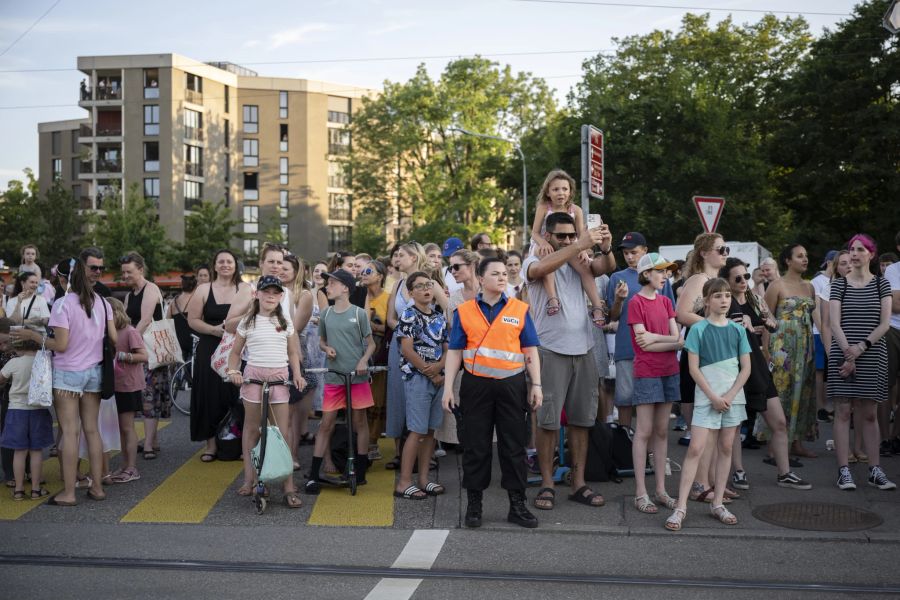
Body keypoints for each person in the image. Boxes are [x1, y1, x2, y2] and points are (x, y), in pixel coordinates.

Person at [442, 256, 543, 528]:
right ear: (481, 279)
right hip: (476, 386)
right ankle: (474, 505)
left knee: (514, 446)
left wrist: (536, 384)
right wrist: (449, 388)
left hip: (512, 385)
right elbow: (454, 352)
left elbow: (530, 349)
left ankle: (517, 505)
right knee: (476, 447)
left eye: (504, 273)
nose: (502, 277)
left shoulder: (520, 309)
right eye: (495, 273)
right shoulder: (464, 311)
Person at [523, 211, 614, 511]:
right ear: (547, 235)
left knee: (582, 421)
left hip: (584, 348)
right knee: (548, 422)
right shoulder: (535, 256)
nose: (567, 240)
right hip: (549, 349)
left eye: (571, 235)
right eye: (560, 235)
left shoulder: (578, 257)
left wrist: (605, 247)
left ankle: (578, 483)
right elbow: (537, 271)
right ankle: (547, 484)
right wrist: (577, 245)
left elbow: (604, 268)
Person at [12, 258, 116, 505]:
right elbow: (113, 338)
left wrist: (34, 336)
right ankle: (98, 487)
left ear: (61, 279)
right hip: (94, 373)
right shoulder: (101, 302)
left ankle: (69, 492)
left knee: (70, 431)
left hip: (68, 374)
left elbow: (60, 345)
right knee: (92, 430)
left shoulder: (61, 304)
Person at [665, 278, 751, 531]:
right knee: (696, 449)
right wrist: (713, 396)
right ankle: (680, 506)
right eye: (718, 296)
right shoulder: (699, 330)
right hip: (707, 397)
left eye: (727, 295)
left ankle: (717, 502)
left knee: (726, 447)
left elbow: (745, 367)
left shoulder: (737, 331)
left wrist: (731, 394)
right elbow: (693, 368)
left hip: (733, 398)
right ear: (706, 301)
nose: (724, 300)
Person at [720, 258, 811, 491]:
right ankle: (738, 471)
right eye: (737, 278)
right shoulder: (724, 302)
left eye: (746, 276)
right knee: (735, 424)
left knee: (779, 422)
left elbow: (773, 321)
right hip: (734, 368)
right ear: (727, 282)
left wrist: (762, 324)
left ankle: (785, 473)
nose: (743, 282)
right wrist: (739, 323)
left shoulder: (754, 298)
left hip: (758, 365)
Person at [227, 275, 306, 508]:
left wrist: (298, 375)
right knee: (252, 430)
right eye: (266, 292)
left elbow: (293, 352)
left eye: (275, 293)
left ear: (281, 296)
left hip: (279, 378)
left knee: (280, 434)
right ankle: (250, 479)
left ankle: (288, 485)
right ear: (257, 294)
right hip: (253, 378)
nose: (271, 296)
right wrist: (234, 371)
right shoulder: (248, 321)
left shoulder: (286, 321)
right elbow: (235, 352)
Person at [827, 234, 896, 491]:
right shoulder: (839, 284)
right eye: (851, 250)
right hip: (843, 352)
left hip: (871, 353)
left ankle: (874, 470)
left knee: (869, 413)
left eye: (859, 250)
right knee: (843, 411)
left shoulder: (881, 285)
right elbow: (834, 323)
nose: (854, 254)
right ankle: (843, 470)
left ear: (871, 254)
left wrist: (859, 349)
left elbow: (885, 324)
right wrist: (848, 352)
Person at [305, 269, 376, 494]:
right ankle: (314, 473)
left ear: (345, 287)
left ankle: (360, 470)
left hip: (357, 376)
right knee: (326, 423)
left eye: (333, 283)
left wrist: (364, 360)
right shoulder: (325, 314)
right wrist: (327, 348)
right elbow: (322, 342)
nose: (328, 286)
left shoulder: (359, 314)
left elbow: (371, 343)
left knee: (359, 423)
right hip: (334, 377)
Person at [675, 233, 732, 501]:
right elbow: (681, 313)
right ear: (703, 253)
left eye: (726, 248)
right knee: (705, 426)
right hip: (701, 355)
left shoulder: (714, 282)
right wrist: (714, 328)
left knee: (716, 425)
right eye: (720, 249)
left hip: (715, 357)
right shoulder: (699, 280)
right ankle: (700, 484)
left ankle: (709, 482)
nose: (724, 253)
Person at [627, 253, 683, 514]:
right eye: (660, 271)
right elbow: (641, 341)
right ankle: (641, 492)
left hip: (669, 370)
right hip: (648, 371)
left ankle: (660, 490)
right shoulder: (636, 302)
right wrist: (669, 342)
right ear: (647, 274)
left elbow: (678, 339)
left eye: (666, 271)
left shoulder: (665, 301)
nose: (665, 275)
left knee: (661, 432)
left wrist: (654, 338)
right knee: (644, 431)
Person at [385, 242, 448, 469]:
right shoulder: (397, 284)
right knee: (398, 395)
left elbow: (447, 309)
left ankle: (424, 456)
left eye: (401, 255)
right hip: (401, 342)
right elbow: (390, 318)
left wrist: (427, 330)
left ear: (413, 258)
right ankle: (399, 453)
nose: (396, 258)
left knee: (423, 396)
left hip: (429, 343)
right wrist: (406, 328)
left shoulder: (429, 282)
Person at [186, 249, 251, 463]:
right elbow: (193, 320)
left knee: (237, 395)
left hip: (237, 346)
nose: (225, 265)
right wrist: (215, 330)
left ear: (235, 265)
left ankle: (241, 444)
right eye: (220, 261)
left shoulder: (245, 288)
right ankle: (211, 445)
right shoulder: (204, 288)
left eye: (229, 261)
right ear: (214, 266)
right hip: (210, 346)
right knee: (208, 395)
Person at [606, 232, 676, 429]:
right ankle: (626, 444)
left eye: (634, 252)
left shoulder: (660, 276)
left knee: (655, 400)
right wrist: (619, 300)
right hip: (627, 348)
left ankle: (652, 453)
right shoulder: (617, 278)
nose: (629, 257)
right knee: (625, 398)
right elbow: (613, 316)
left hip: (657, 349)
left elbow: (671, 312)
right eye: (626, 253)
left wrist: (671, 344)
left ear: (645, 251)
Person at [394, 272, 448, 499]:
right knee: (416, 431)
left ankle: (424, 479)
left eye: (429, 285)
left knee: (430, 431)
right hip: (417, 377)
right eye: (420, 286)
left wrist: (440, 368)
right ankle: (404, 482)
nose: (426, 289)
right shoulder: (408, 315)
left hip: (439, 376)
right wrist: (429, 370)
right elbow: (407, 349)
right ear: (410, 292)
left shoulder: (439, 316)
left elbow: (447, 347)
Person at [765, 244, 820, 459]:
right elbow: (767, 319)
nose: (805, 259)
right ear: (788, 260)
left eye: (806, 256)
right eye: (799, 256)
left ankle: (796, 442)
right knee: (781, 394)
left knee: (804, 392)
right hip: (782, 348)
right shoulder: (776, 285)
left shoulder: (809, 287)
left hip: (805, 346)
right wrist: (766, 352)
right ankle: (775, 446)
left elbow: (814, 318)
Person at [528, 169, 606, 323]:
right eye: (555, 189)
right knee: (547, 256)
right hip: (544, 243)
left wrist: (583, 250)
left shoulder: (575, 210)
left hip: (568, 245)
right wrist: (544, 242)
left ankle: (597, 306)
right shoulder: (544, 207)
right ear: (548, 192)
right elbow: (535, 233)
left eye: (564, 189)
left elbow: (579, 235)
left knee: (584, 267)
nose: (560, 193)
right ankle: (552, 298)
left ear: (570, 191)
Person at [120, 252, 168, 460]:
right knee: (144, 395)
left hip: (151, 351)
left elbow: (146, 320)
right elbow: (126, 320)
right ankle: (153, 441)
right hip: (140, 351)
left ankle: (148, 444)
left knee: (150, 397)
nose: (125, 275)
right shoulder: (130, 295)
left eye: (129, 271)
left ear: (140, 269)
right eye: (123, 272)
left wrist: (130, 342)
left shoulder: (152, 289)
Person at [0, 334, 51, 500]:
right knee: (36, 451)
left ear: (18, 346)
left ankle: (19, 490)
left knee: (19, 452)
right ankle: (36, 489)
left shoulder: (14, 362)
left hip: (16, 410)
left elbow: (1, 379)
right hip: (38, 409)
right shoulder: (43, 361)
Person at [282, 254, 318, 470]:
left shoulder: (303, 295)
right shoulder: (272, 292)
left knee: (294, 413)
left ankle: (293, 456)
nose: (281, 271)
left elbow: (293, 329)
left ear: (297, 271)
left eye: (286, 268)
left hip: (297, 354)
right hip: (274, 355)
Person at [107, 297, 146, 484]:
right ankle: (124, 465)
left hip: (128, 385)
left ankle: (131, 467)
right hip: (113, 385)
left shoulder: (130, 331)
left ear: (116, 312)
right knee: (120, 428)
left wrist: (123, 355)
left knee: (127, 427)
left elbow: (143, 356)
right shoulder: (108, 332)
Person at [361, 260, 390, 460]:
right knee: (360, 398)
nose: (363, 273)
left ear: (380, 276)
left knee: (377, 398)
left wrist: (369, 324)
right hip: (358, 353)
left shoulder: (388, 299)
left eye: (368, 270)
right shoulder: (356, 296)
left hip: (379, 352)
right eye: (362, 270)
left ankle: (372, 441)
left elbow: (389, 327)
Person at [812, 251, 838, 424]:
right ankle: (820, 407)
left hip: (835, 332)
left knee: (833, 370)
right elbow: (815, 310)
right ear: (830, 263)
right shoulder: (817, 281)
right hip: (818, 331)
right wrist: (822, 331)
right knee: (820, 371)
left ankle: (832, 406)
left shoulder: (838, 281)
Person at [882, 232, 900, 455]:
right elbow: (894, 305)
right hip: (893, 330)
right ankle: (885, 438)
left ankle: (896, 436)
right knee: (885, 387)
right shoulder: (893, 270)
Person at [168, 274, 197, 363]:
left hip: (177, 342)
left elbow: (167, 322)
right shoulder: (197, 300)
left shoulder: (174, 302)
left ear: (182, 285)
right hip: (194, 341)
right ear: (195, 286)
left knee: (179, 371)